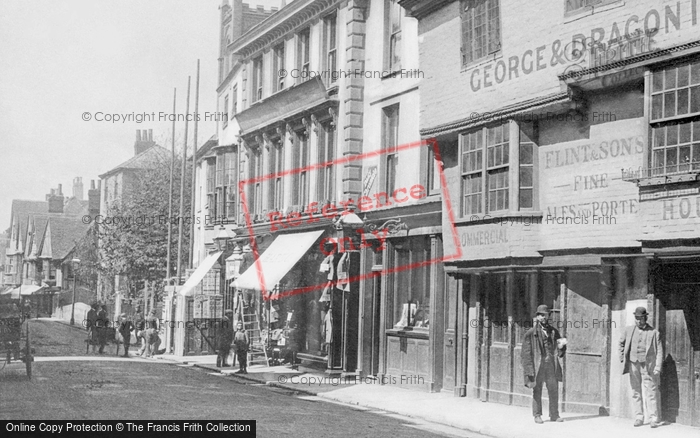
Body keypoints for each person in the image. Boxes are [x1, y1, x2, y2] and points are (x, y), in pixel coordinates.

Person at [619, 307, 663, 428]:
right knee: (635, 391)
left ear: (645, 318)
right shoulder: (629, 330)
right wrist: (622, 357)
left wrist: (658, 366)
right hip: (633, 364)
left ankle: (653, 418)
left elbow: (659, 351)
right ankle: (639, 417)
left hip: (648, 366)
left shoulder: (654, 332)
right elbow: (621, 343)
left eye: (641, 318)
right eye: (636, 318)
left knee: (651, 391)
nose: (638, 321)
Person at [522, 304, 567, 424]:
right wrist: (529, 370)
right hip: (538, 366)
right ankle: (537, 415)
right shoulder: (530, 333)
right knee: (537, 390)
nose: (543, 317)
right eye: (541, 315)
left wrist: (562, 346)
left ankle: (554, 414)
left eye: (545, 315)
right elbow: (526, 354)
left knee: (553, 389)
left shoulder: (553, 331)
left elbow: (561, 343)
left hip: (551, 365)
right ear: (537, 317)